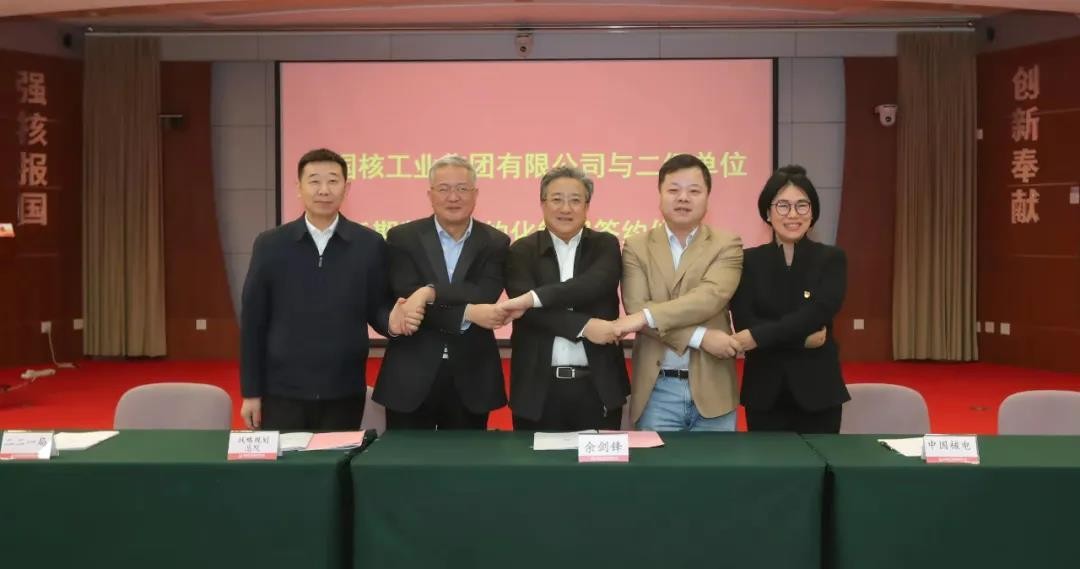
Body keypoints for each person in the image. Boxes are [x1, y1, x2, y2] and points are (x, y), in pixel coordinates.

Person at [239, 148, 418, 431]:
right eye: (314, 181)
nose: (324, 190)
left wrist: (392, 322)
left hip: (344, 388)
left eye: (333, 181)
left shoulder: (369, 244)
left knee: (339, 457)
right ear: (298, 187)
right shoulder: (271, 244)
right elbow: (253, 322)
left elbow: (377, 307)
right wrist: (251, 392)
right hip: (282, 390)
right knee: (288, 460)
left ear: (346, 188)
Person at [374, 154, 511, 430]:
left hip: (472, 375)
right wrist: (469, 313)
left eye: (462, 188)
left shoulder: (495, 241)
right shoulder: (403, 238)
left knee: (465, 458)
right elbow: (406, 297)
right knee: (403, 457)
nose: (453, 197)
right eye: (444, 189)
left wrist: (430, 292)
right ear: (430, 194)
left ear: (475, 194)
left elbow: (483, 293)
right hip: (410, 375)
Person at [617, 154, 744, 431]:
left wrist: (646, 315)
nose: (683, 198)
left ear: (707, 198)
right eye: (673, 190)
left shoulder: (727, 244)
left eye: (694, 191)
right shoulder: (636, 246)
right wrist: (700, 337)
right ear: (660, 195)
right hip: (656, 391)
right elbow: (636, 306)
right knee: (656, 463)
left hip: (714, 389)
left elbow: (709, 298)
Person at [500, 166, 629, 431]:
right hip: (537, 392)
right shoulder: (521, 251)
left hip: (598, 388)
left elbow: (593, 285)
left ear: (587, 206)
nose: (566, 209)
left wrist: (533, 297)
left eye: (575, 200)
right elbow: (531, 314)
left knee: (600, 459)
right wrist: (585, 327)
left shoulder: (605, 245)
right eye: (557, 199)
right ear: (542, 203)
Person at [730, 165, 850, 434]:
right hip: (764, 392)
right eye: (783, 206)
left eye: (802, 205)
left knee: (822, 460)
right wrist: (802, 339)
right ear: (768, 212)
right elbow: (745, 322)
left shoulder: (831, 259)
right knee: (769, 462)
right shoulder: (748, 261)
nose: (793, 214)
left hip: (818, 391)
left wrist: (760, 337)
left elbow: (819, 313)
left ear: (813, 212)